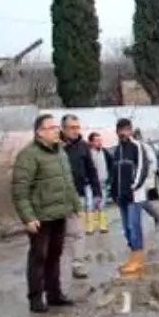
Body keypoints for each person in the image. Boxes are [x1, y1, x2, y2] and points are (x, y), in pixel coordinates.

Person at [12, 114, 83, 313]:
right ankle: (35, 297)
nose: (56, 131)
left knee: (55, 255)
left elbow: (68, 182)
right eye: (51, 127)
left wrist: (75, 205)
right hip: (40, 216)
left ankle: (54, 294)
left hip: (59, 212)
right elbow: (20, 190)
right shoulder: (28, 156)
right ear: (39, 132)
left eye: (55, 127)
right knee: (38, 257)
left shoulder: (60, 152)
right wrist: (28, 217)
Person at [111, 118, 156, 277]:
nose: (123, 133)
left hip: (134, 196)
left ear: (130, 130)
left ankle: (137, 258)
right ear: (117, 132)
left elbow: (142, 169)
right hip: (121, 196)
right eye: (120, 130)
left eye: (126, 129)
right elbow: (114, 172)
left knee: (133, 226)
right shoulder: (117, 150)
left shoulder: (137, 147)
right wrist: (114, 191)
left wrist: (133, 187)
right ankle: (133, 255)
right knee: (126, 229)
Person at [60, 114, 101, 280]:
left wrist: (97, 191)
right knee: (60, 235)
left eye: (77, 128)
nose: (75, 131)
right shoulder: (56, 146)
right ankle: (58, 268)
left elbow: (91, 170)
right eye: (72, 128)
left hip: (78, 195)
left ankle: (78, 265)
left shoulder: (83, 147)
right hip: (57, 197)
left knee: (78, 233)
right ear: (63, 128)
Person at [132, 127, 159, 228]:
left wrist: (149, 174)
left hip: (144, 178)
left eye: (135, 136)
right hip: (136, 179)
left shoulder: (145, 147)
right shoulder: (132, 147)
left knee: (142, 201)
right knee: (138, 201)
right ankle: (137, 223)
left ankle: (156, 215)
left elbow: (152, 161)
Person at [87, 132, 113, 234]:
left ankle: (103, 226)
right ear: (91, 142)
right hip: (91, 184)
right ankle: (89, 227)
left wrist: (110, 179)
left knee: (102, 205)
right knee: (90, 205)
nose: (99, 142)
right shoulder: (88, 153)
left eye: (100, 140)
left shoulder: (105, 152)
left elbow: (112, 164)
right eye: (97, 140)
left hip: (103, 183)